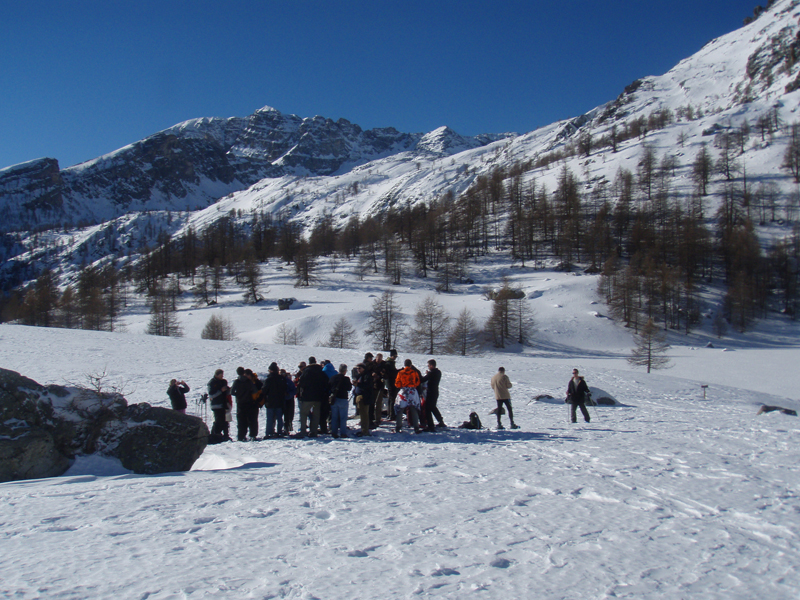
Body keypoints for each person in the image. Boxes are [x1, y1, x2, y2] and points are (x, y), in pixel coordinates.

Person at [297, 356, 328, 438]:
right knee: (316, 415)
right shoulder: (321, 370)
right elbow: (326, 382)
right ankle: (313, 431)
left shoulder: (306, 371)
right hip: (318, 396)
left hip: (307, 396)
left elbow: (301, 383)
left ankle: (303, 431)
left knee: (304, 413)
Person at [395, 359, 422, 433]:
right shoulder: (414, 372)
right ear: (410, 365)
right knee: (414, 409)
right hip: (412, 392)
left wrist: (402, 386)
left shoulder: (400, 372)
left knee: (400, 409)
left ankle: (398, 426)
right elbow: (418, 381)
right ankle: (416, 427)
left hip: (403, 391)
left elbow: (397, 383)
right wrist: (413, 386)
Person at [231, 366, 258, 441]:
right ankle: (252, 435)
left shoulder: (236, 381)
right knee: (251, 420)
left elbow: (232, 392)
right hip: (249, 402)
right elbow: (255, 390)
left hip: (240, 403)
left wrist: (238, 395)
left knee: (241, 420)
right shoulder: (248, 381)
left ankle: (241, 436)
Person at [262, 362, 288, 437]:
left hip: (270, 401)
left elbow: (264, 390)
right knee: (279, 417)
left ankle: (269, 432)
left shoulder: (268, 379)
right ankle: (279, 431)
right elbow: (285, 388)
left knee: (270, 418)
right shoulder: (282, 379)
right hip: (280, 401)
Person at [329, 364, 353, 438]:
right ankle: (343, 433)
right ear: (345, 371)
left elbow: (329, 386)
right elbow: (349, 388)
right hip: (343, 399)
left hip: (334, 399)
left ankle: (334, 432)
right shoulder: (346, 379)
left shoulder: (333, 378)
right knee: (343, 417)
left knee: (334, 417)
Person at [421, 359, 445, 431]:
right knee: (433, 407)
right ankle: (440, 421)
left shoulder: (431, 373)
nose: (428, 367)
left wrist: (427, 374)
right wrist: (429, 373)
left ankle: (430, 425)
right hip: (435, 392)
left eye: (428, 366)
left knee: (428, 409)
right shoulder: (438, 372)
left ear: (431, 365)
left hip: (431, 392)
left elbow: (423, 379)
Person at [207, 369, 231, 441]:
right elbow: (211, 395)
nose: (222, 376)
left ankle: (222, 435)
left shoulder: (223, 381)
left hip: (223, 404)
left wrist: (228, 390)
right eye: (221, 375)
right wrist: (221, 391)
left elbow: (226, 393)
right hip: (216, 405)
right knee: (218, 421)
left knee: (223, 420)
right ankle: (215, 435)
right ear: (217, 375)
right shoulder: (212, 383)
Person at [352, 363, 375, 437]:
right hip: (359, 397)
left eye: (359, 368)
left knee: (364, 414)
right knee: (362, 414)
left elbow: (367, 386)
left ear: (363, 368)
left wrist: (358, 385)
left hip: (364, 398)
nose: (358, 370)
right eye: (357, 369)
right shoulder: (361, 376)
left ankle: (365, 430)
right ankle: (363, 429)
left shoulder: (367, 376)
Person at [281, 368, 297, 435]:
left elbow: (294, 390)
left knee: (288, 416)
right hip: (280, 401)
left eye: (283, 373)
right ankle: (280, 429)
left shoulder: (289, 382)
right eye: (281, 374)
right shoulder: (278, 381)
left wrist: (288, 394)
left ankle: (287, 429)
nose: (282, 375)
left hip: (288, 400)